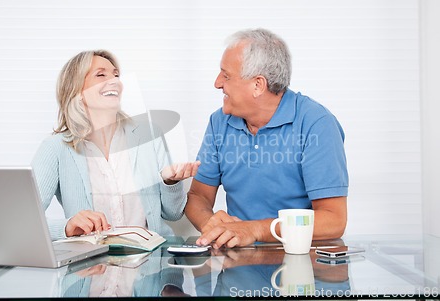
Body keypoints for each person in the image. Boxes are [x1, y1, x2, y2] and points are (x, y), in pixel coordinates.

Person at [185, 28, 348, 248]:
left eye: (226, 75)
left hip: (299, 266)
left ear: (258, 85)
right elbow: (198, 196)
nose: (217, 83)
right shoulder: (219, 122)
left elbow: (333, 220)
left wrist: (256, 229)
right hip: (238, 267)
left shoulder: (316, 124)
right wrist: (209, 222)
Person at [32, 49, 200, 240]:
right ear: (76, 89)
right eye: (101, 75)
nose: (114, 81)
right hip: (92, 265)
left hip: (151, 260)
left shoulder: (149, 135)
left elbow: (174, 213)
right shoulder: (56, 148)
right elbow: (24, 218)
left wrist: (171, 183)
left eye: (116, 75)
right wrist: (66, 227)